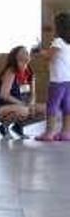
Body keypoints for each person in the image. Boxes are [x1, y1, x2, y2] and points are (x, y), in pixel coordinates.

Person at [0, 46, 46, 140]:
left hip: (23, 106)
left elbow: (33, 94)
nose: (27, 53)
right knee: (24, 111)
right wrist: (23, 104)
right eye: (23, 52)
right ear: (16, 56)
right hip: (2, 107)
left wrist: (31, 104)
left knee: (48, 110)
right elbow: (4, 95)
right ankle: (4, 127)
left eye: (27, 51)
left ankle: (18, 127)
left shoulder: (30, 73)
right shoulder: (11, 71)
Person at [35, 12, 70, 142]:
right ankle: (66, 133)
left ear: (59, 26)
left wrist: (39, 51)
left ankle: (49, 133)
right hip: (68, 80)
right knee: (67, 107)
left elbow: (50, 55)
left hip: (58, 81)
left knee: (52, 106)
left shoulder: (58, 41)